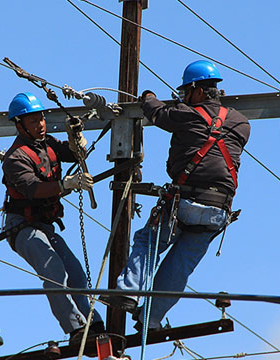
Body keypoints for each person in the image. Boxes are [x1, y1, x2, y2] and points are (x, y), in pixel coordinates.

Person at [107, 60, 250, 332]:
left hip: (184, 201)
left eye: (185, 92)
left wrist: (148, 96)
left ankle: (128, 291)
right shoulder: (241, 123)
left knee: (149, 242)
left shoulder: (187, 114)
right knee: (180, 265)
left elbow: (157, 113)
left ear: (196, 90)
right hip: (217, 210)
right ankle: (151, 319)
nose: (183, 98)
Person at [0, 92, 103, 337]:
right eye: (33, 121)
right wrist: (67, 184)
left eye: (41, 119)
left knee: (75, 272)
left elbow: (74, 154)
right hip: (22, 226)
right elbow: (32, 189)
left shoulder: (48, 144)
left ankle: (93, 324)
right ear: (19, 124)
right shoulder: (15, 157)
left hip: (44, 225)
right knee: (54, 271)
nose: (40, 125)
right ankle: (75, 328)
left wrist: (76, 141)